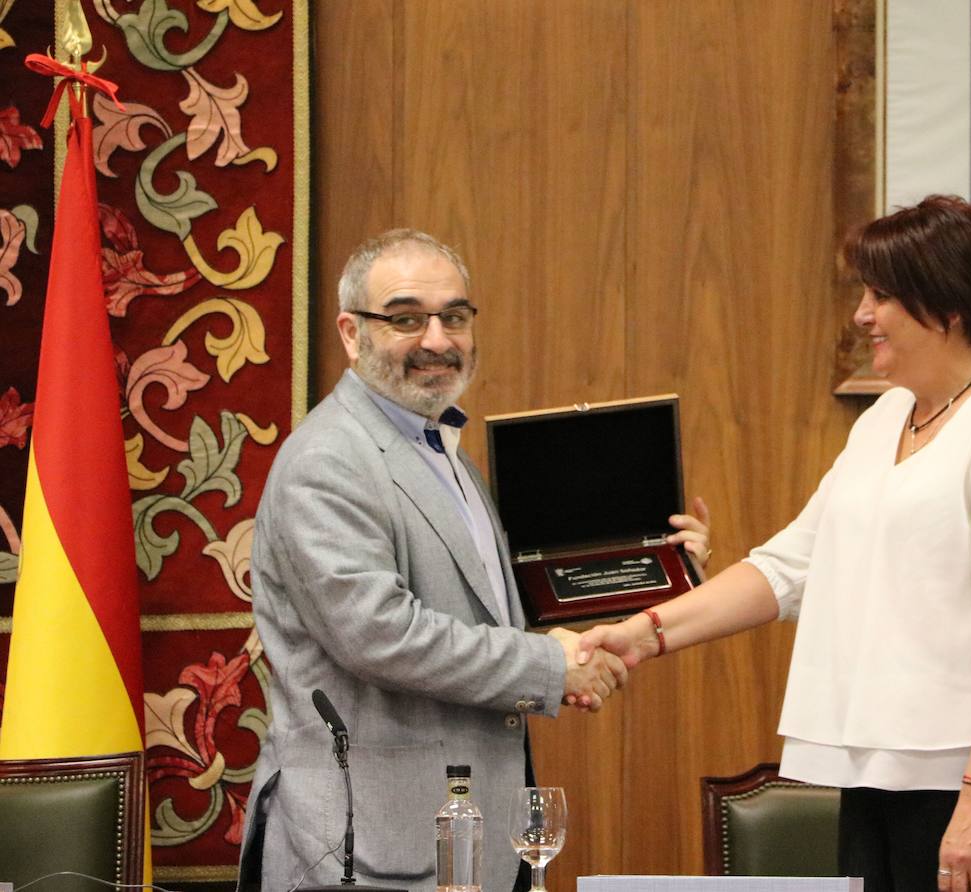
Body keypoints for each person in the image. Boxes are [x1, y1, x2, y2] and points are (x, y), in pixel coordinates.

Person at [580, 197, 971, 892]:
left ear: (946, 306)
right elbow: (790, 566)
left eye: (881, 295)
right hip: (881, 774)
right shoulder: (887, 417)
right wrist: (646, 633)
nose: (861, 314)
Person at [237, 230, 710, 892]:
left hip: (465, 843)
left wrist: (659, 569)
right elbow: (380, 635)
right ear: (351, 332)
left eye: (454, 317)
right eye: (406, 318)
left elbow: (492, 613)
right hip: (365, 852)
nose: (437, 339)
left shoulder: (443, 453)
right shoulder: (329, 461)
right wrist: (554, 665)